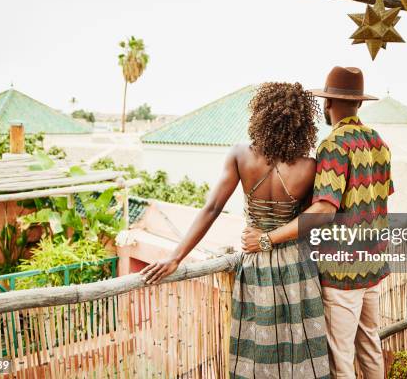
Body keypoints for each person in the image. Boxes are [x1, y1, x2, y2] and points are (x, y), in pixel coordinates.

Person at [141, 82, 330, 379]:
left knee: (258, 346)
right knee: (299, 343)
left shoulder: (241, 155)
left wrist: (176, 257)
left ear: (261, 115)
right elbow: (306, 221)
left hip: (256, 261)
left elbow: (212, 208)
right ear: (303, 123)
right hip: (296, 263)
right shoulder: (309, 167)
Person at [242, 67, 393, 379]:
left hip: (342, 272)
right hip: (374, 264)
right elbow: (381, 200)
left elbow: (324, 210)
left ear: (328, 104)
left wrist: (268, 238)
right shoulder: (379, 143)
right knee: (370, 346)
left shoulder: (333, 145)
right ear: (359, 104)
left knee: (340, 360)